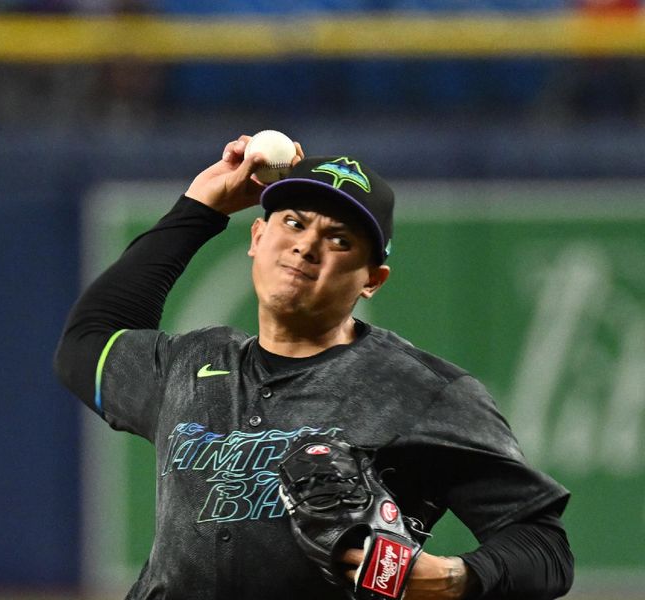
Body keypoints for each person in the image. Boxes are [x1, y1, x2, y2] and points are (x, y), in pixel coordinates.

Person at [54, 135, 574, 599]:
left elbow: (543, 546)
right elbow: (88, 342)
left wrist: (452, 577)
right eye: (293, 223)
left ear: (372, 279)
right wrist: (198, 209)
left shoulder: (422, 391)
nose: (306, 245)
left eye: (340, 240)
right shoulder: (191, 364)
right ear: (256, 238)